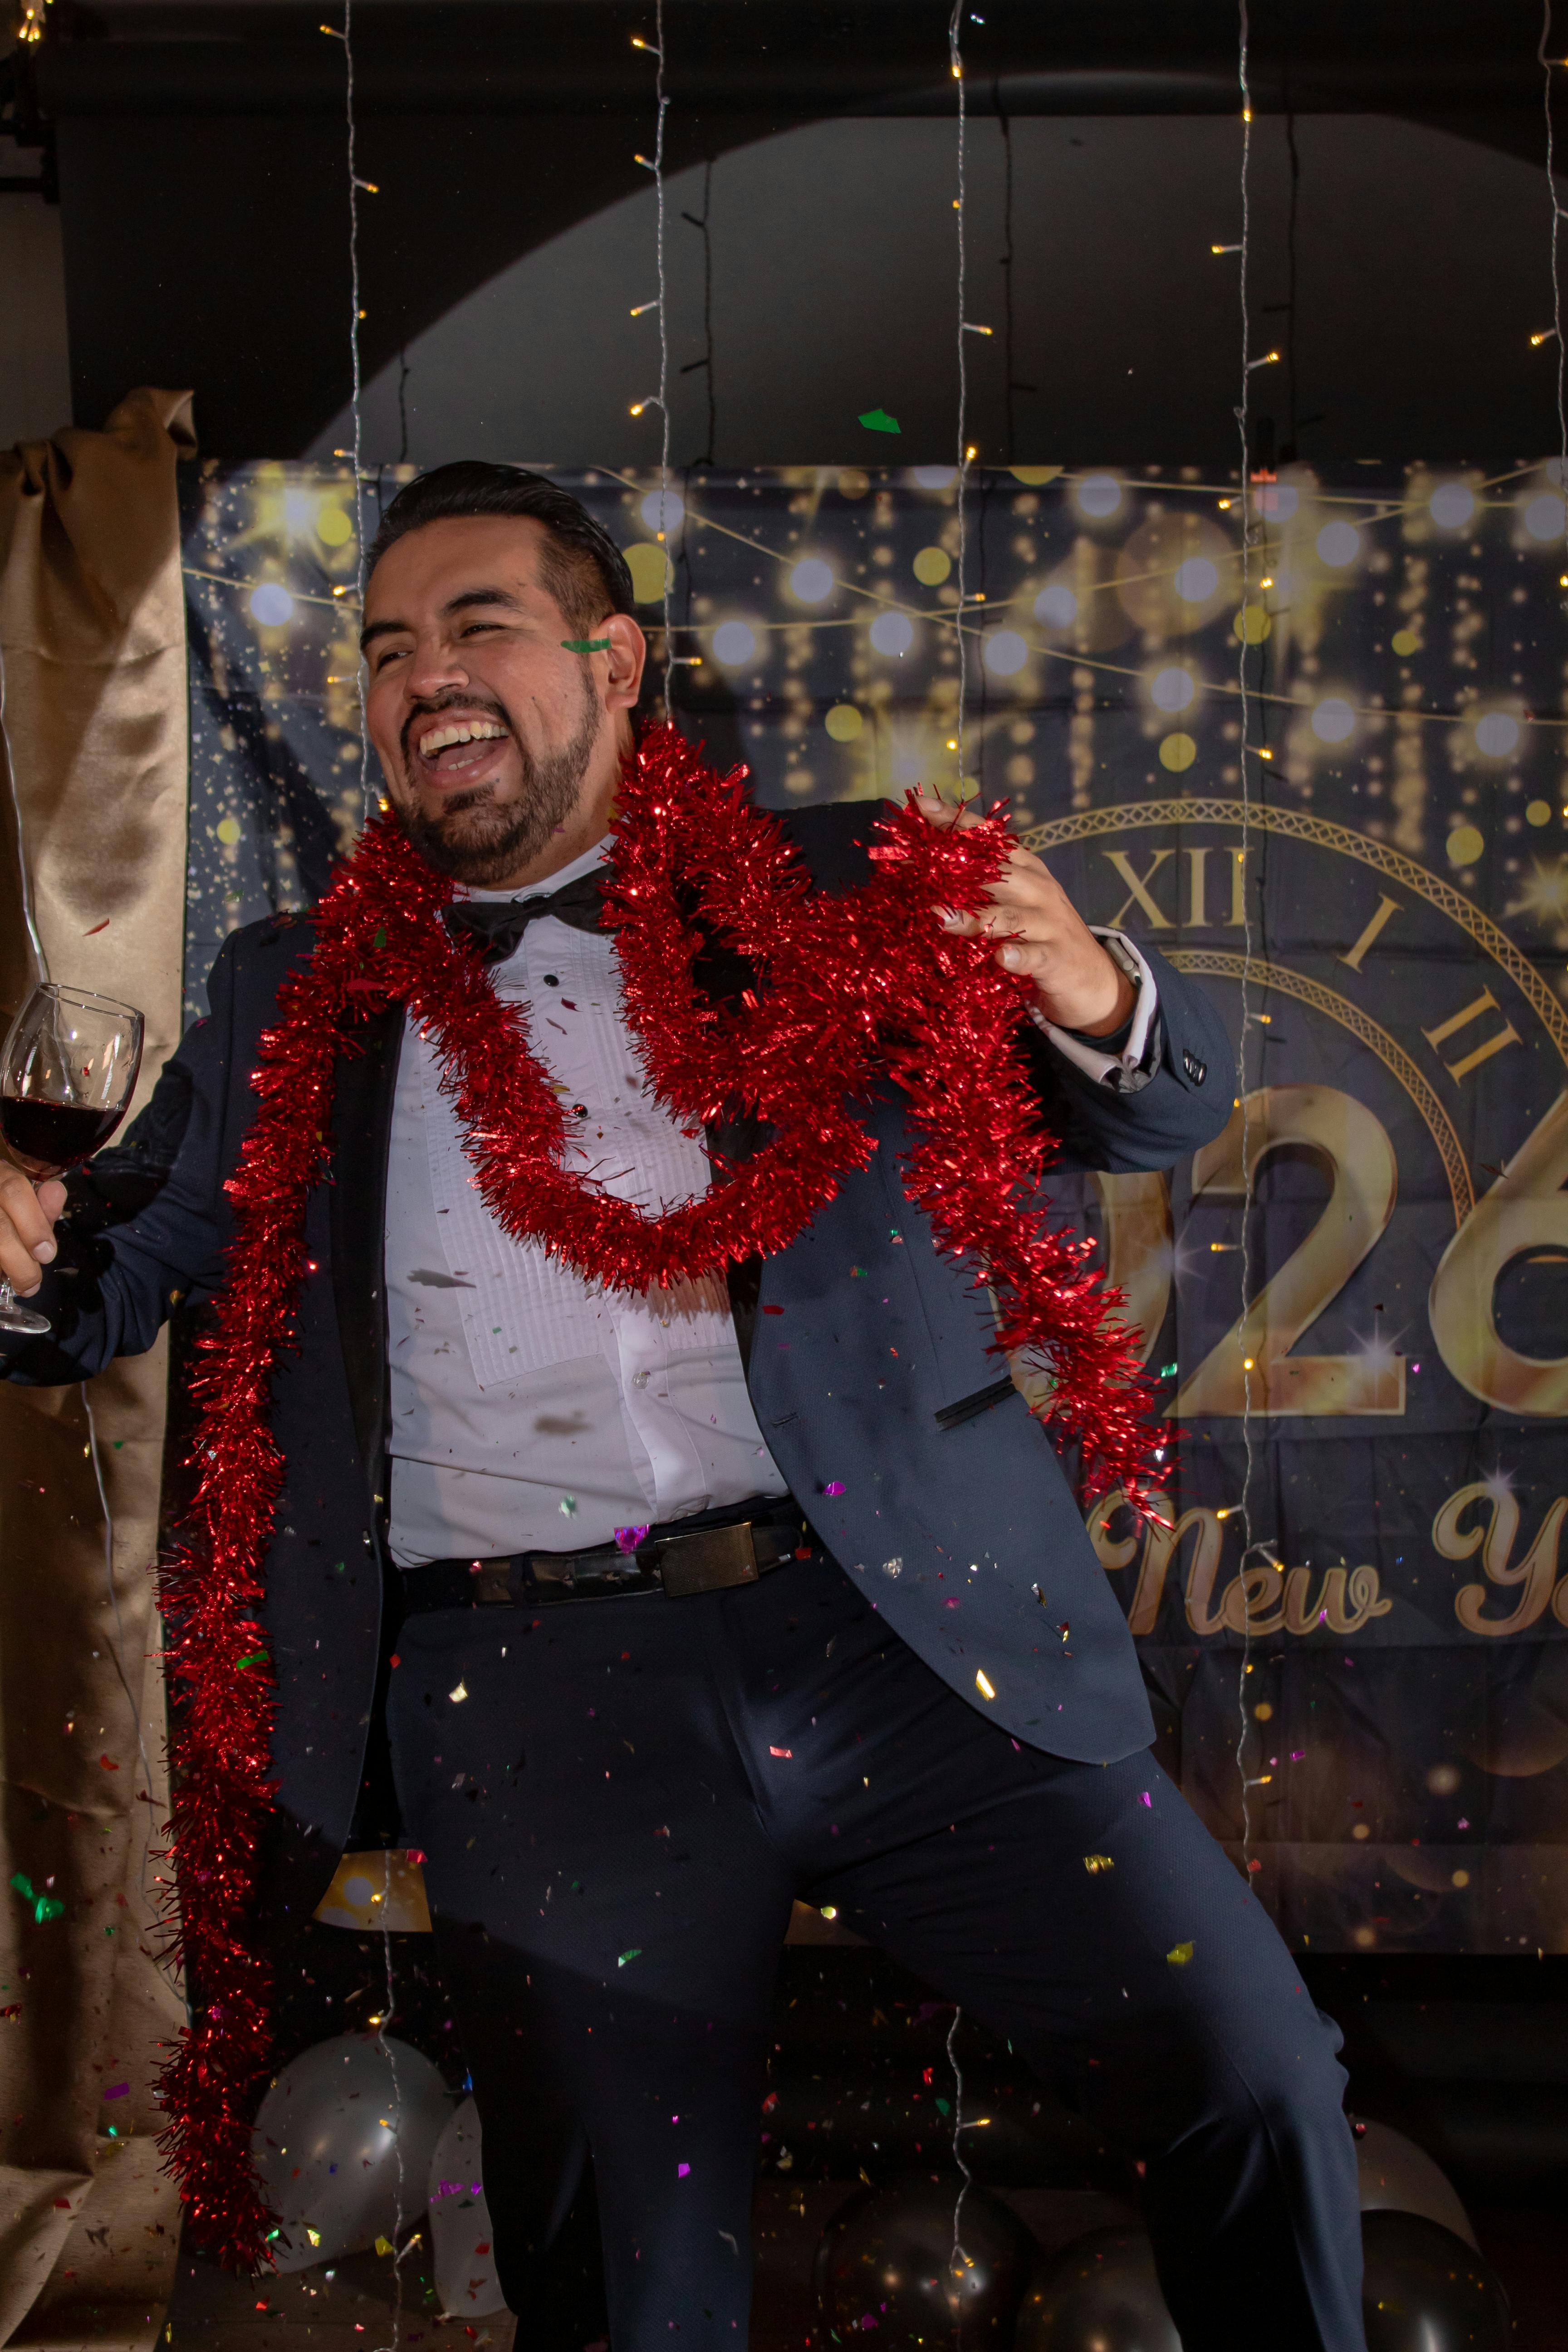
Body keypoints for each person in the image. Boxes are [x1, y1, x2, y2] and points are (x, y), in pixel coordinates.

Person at [0, 465, 1365, 2352]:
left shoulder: (840, 884)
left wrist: (1090, 985)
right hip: (539, 1693)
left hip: (905, 1638)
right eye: (389, 647)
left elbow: (1145, 1110)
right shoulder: (286, 991)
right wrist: (15, 1250)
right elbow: (106, 1284)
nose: (425, 675)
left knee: (1256, 2074)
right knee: (633, 2293)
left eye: (478, 623)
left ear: (614, 658)